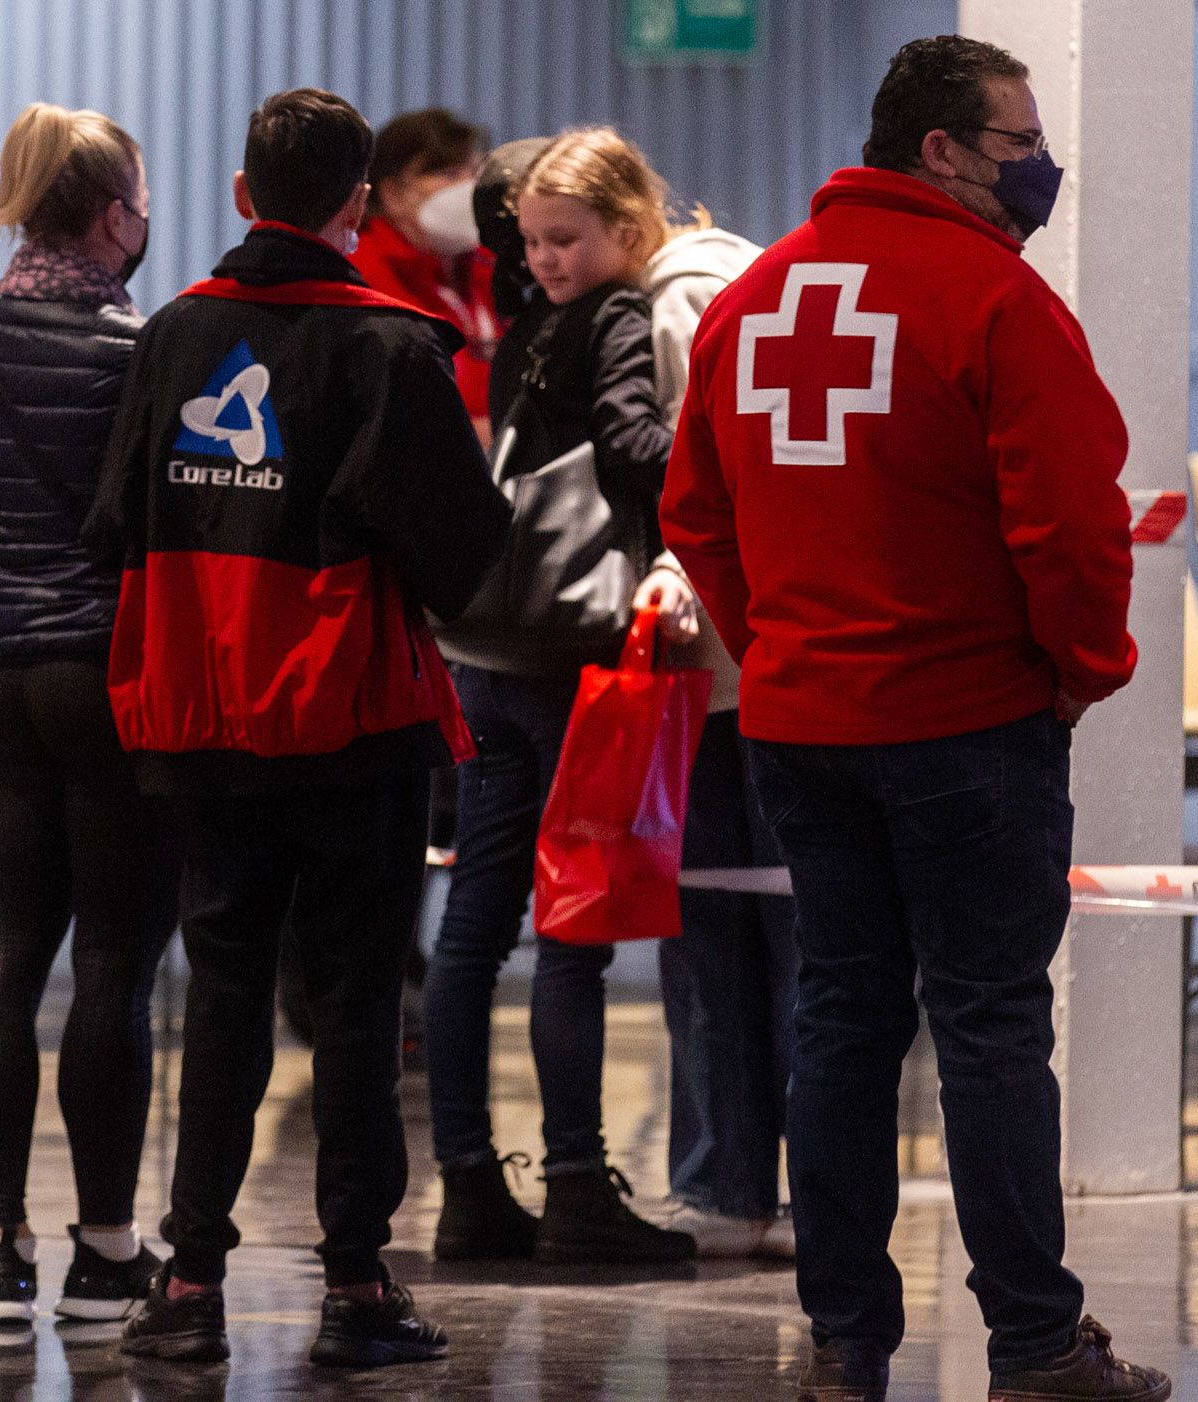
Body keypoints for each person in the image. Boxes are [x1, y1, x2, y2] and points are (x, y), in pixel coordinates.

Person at [662, 35, 1171, 1402]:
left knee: (842, 1017)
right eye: (1018, 141)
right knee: (994, 1024)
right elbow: (1072, 521)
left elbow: (693, 512)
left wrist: (774, 644)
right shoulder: (994, 301)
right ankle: (1035, 1343)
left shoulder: (753, 300)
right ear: (940, 151)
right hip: (969, 724)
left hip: (803, 727)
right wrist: (1082, 666)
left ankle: (846, 1342)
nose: (1038, 165)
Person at [87, 87, 511, 1368]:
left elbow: (114, 522)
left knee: (222, 992)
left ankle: (189, 1284)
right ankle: (355, 1289)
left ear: (236, 197)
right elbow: (461, 558)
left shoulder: (169, 337)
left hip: (202, 718)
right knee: (354, 1004)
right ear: (357, 206)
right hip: (350, 724)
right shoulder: (394, 346)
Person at [423, 127, 695, 1267]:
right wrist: (718, 454)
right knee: (573, 934)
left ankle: (469, 1187)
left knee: (474, 933)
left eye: (560, 239)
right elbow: (635, 447)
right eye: (533, 240)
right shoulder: (621, 315)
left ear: (625, 230)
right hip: (572, 661)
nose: (540, 257)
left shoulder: (527, 326)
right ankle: (579, 1187)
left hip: (485, 652)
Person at [0, 101, 173, 1329]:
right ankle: (106, 1251)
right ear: (107, 214)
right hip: (106, 676)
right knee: (116, 963)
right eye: (139, 200)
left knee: (5, 952)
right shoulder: (145, 354)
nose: (147, 219)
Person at [631, 192, 794, 1261]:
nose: (543, 265)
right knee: (767, 943)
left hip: (724, 673)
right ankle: (755, 1184)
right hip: (757, 667)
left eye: (558, 242)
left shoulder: (679, 301)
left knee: (726, 943)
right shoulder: (736, 280)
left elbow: (702, 484)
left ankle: (730, 1185)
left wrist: (670, 574)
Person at [353, 107, 504, 444]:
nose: (469, 186)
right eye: (450, 174)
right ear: (392, 193)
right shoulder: (360, 274)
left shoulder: (492, 264)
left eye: (475, 171)